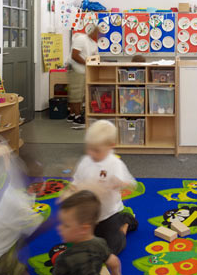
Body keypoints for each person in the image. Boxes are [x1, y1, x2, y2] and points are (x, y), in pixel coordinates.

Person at [68, 120, 138, 254]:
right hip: (88, 215)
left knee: (111, 249)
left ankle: (125, 223)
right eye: (89, 148)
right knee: (78, 243)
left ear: (111, 146)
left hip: (109, 214)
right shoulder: (86, 161)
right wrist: (71, 191)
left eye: (96, 150)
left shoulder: (114, 164)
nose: (91, 153)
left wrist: (119, 183)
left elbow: (131, 184)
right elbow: (76, 182)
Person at [52, 190, 122, 275]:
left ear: (83, 229)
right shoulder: (100, 243)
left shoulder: (64, 259)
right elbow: (114, 262)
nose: (59, 228)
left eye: (66, 225)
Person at [68, 25, 100, 128]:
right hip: (76, 70)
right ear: (92, 31)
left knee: (79, 94)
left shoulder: (94, 43)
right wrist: (87, 62)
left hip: (84, 71)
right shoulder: (81, 39)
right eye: (96, 32)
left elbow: (95, 57)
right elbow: (75, 55)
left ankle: (72, 115)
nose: (97, 35)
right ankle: (77, 118)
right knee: (76, 94)